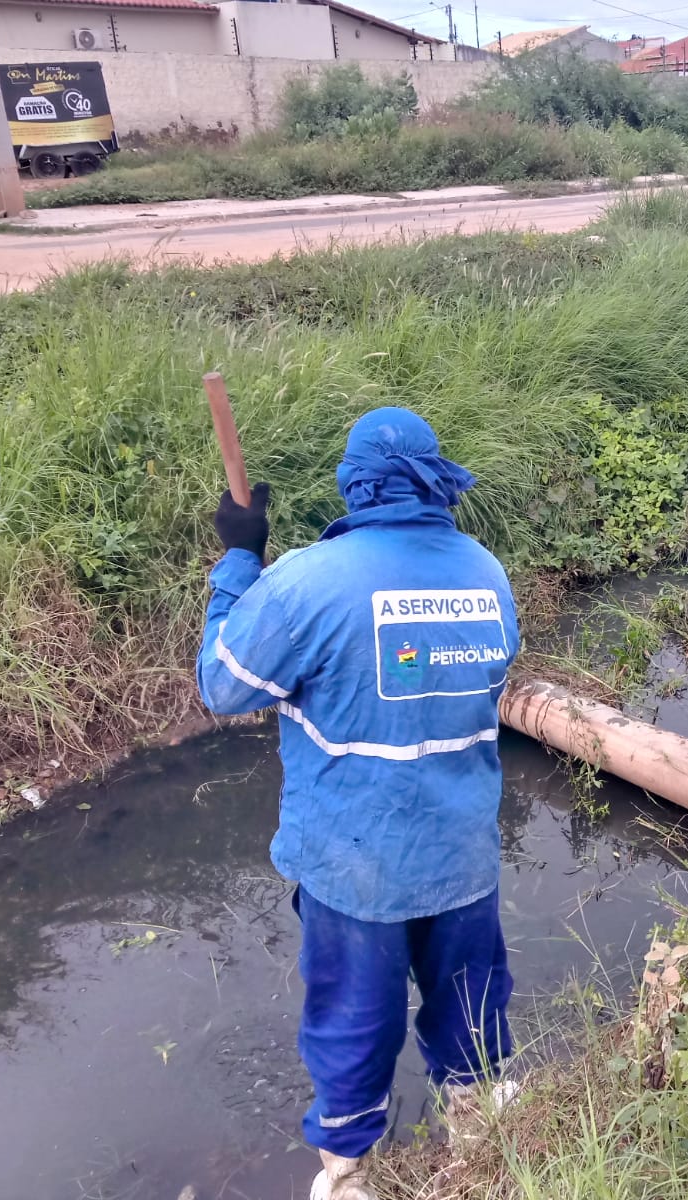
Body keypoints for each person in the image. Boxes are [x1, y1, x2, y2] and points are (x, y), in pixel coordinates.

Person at [196, 407, 520, 1200]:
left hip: (356, 869)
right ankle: (483, 1140)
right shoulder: (486, 574)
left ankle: (349, 1177)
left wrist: (239, 558)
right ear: (434, 481)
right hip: (464, 854)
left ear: (356, 485)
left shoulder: (306, 581)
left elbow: (223, 684)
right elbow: (486, 687)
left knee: (353, 1020)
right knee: (471, 1004)